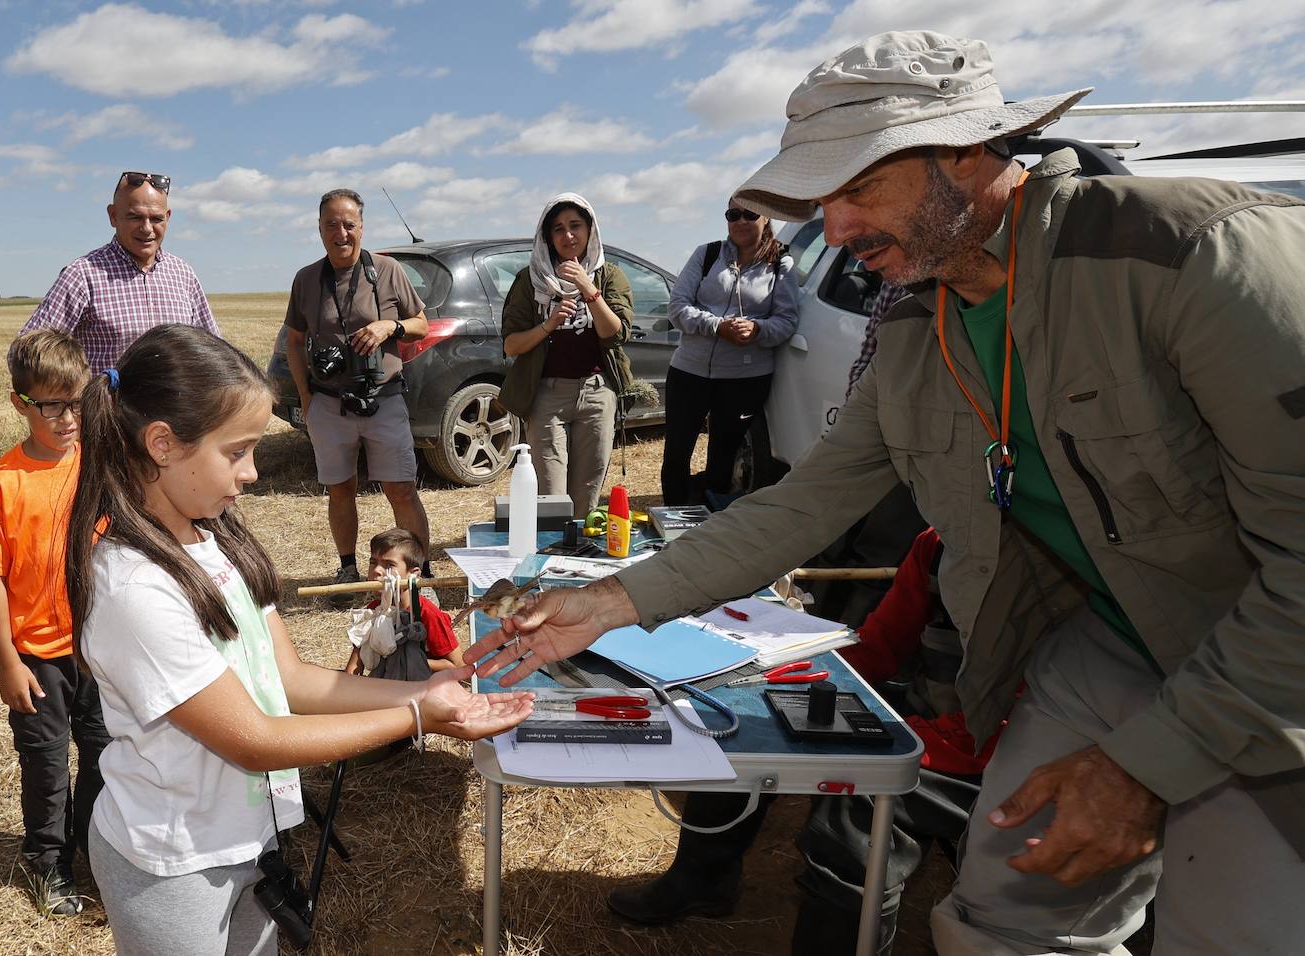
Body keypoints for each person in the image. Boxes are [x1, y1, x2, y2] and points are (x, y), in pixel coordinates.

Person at [470, 30, 1305, 956]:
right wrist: (607, 604)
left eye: (858, 190)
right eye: (824, 201)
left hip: (1265, 663)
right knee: (1005, 920)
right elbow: (802, 505)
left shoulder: (1196, 255)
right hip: (1107, 647)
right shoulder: (919, 326)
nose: (834, 230)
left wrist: (1150, 767)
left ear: (965, 152)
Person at [64, 324, 533, 954]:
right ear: (163, 444)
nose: (253, 472)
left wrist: (424, 686)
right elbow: (257, 741)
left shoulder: (213, 538)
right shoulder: (134, 589)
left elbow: (290, 681)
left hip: (246, 834)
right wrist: (419, 717)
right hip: (172, 864)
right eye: (236, 451)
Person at [608, 529, 995, 954]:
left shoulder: (1052, 563)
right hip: (930, 719)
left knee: (855, 807)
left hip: (1001, 756)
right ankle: (701, 882)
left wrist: (883, 740)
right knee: (743, 714)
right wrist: (789, 664)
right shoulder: (937, 543)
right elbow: (880, 645)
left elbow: (1031, 717)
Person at [0, 330, 107, 918]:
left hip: (99, 651)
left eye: (77, 401)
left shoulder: (99, 466)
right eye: (52, 404)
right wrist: (8, 663)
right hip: (37, 660)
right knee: (46, 766)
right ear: (21, 402)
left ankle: (98, 853)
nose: (69, 417)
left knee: (105, 755)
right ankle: (49, 863)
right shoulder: (2, 481)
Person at [285, 188, 432, 588]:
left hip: (383, 398)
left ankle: (419, 570)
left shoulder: (386, 271)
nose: (341, 232)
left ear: (362, 227)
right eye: (331, 224)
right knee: (340, 489)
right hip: (330, 404)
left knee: (401, 488)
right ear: (319, 229)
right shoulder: (307, 279)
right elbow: (294, 342)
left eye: (349, 224)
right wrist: (305, 395)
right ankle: (348, 566)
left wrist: (391, 326)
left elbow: (421, 323)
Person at [498, 192, 635, 517]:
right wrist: (548, 324)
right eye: (558, 228)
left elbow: (616, 333)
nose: (568, 235)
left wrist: (589, 289)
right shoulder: (530, 280)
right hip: (547, 395)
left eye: (575, 225)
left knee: (587, 495)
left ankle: (580, 563)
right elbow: (511, 345)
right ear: (547, 236)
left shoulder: (609, 275)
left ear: (590, 230)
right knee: (550, 497)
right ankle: (549, 562)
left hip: (596, 392)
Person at [660, 200, 799, 505]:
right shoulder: (707, 254)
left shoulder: (781, 263)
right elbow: (677, 307)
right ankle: (671, 526)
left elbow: (787, 321)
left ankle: (713, 529)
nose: (741, 220)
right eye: (733, 214)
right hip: (689, 370)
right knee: (676, 453)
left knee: (723, 456)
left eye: (750, 213)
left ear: (767, 219)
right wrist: (717, 326)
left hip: (744, 378)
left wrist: (758, 330)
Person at [20, 170, 218, 374]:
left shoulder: (182, 274)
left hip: (175, 406)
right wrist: (73, 396)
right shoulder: (82, 275)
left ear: (168, 218)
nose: (147, 228)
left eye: (156, 219)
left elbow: (214, 351)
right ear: (113, 216)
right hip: (107, 406)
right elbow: (26, 355)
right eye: (135, 217)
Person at [343, 527, 466, 677]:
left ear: (413, 574)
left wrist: (407, 660)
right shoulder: (374, 611)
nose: (377, 571)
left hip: (423, 689)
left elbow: (458, 666)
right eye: (373, 562)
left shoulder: (428, 613)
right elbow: (355, 666)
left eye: (389, 565)